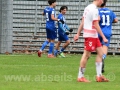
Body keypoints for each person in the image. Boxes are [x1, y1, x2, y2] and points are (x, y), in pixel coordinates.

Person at [74, 0, 109, 82]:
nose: (103, 3)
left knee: (101, 54)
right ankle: (80, 76)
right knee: (86, 55)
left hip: (94, 35)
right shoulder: (94, 9)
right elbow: (96, 24)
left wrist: (78, 33)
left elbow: (83, 21)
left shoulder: (87, 8)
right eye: (103, 1)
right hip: (90, 35)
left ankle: (99, 76)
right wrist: (103, 37)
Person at [98, 0, 118, 73]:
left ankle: (100, 60)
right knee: (105, 46)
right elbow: (116, 20)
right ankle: (103, 58)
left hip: (99, 32)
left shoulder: (97, 11)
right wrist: (110, 21)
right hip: (107, 32)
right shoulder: (110, 11)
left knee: (99, 47)